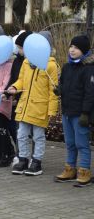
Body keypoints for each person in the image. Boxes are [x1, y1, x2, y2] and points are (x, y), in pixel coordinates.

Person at [7, 31, 59, 176]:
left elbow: (53, 90)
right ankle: (23, 159)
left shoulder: (51, 66)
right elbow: (21, 80)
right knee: (21, 134)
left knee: (38, 136)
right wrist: (15, 87)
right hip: (25, 106)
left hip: (40, 107)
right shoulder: (26, 62)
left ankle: (36, 161)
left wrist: (52, 111)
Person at [54, 35, 94, 186]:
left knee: (81, 143)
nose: (72, 50)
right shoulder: (66, 67)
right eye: (71, 47)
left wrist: (85, 112)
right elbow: (64, 84)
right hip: (67, 111)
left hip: (80, 113)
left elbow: (90, 93)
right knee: (70, 142)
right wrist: (59, 90)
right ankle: (70, 169)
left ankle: (84, 171)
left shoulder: (89, 69)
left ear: (83, 50)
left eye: (76, 48)